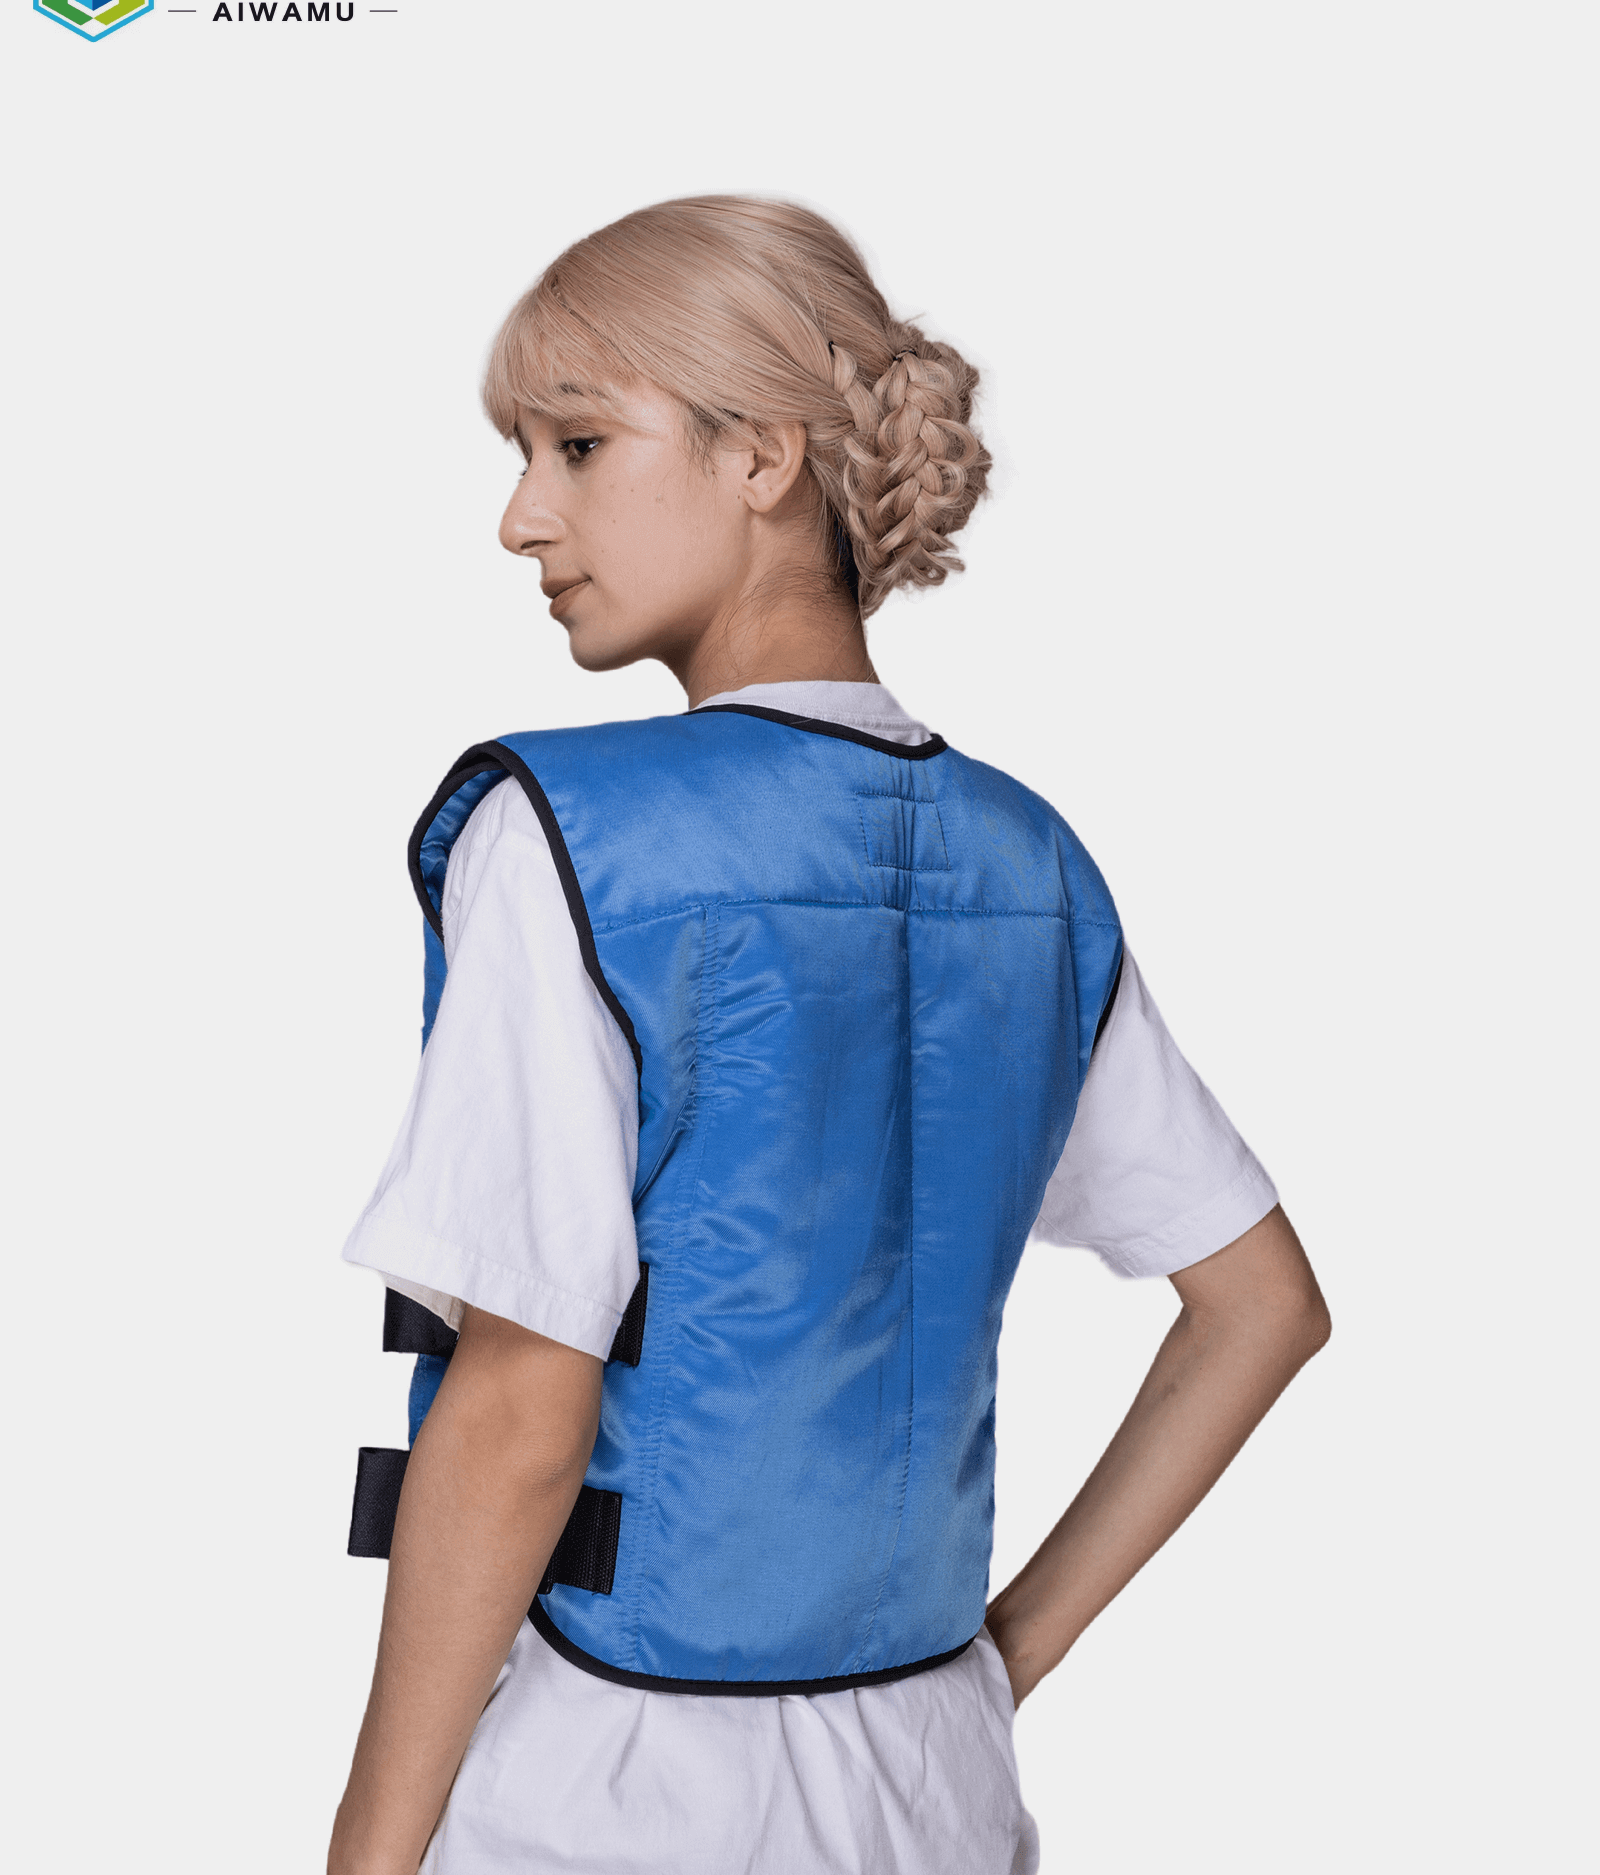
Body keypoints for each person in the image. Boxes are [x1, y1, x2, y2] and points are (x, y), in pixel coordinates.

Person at [328, 195, 1330, 1875]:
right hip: (936, 1781)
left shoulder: (568, 837)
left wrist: (366, 1854)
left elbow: (518, 1411)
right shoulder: (1031, 864)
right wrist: (995, 1666)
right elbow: (1262, 1306)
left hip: (613, 1790)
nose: (522, 516)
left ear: (763, 456)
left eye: (579, 445)